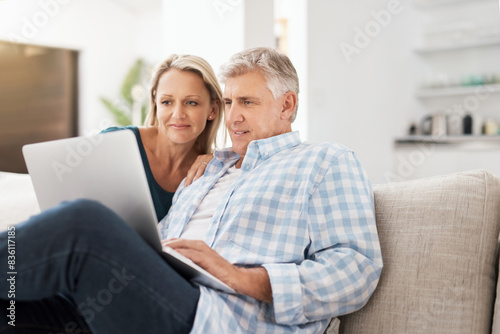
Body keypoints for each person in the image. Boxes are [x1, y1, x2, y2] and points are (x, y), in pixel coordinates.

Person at [0, 47, 382, 334]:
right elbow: (160, 243)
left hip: (215, 318)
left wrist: (240, 276)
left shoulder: (325, 162)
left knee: (84, 222)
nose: (233, 117)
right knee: (12, 310)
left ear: (287, 105)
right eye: (230, 102)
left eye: (247, 102)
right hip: (149, 299)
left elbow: (356, 270)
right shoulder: (208, 169)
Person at [102, 54, 224, 221]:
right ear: (155, 103)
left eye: (191, 103)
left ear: (212, 110)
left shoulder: (209, 171)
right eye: (167, 102)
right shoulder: (115, 143)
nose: (178, 115)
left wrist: (218, 162)